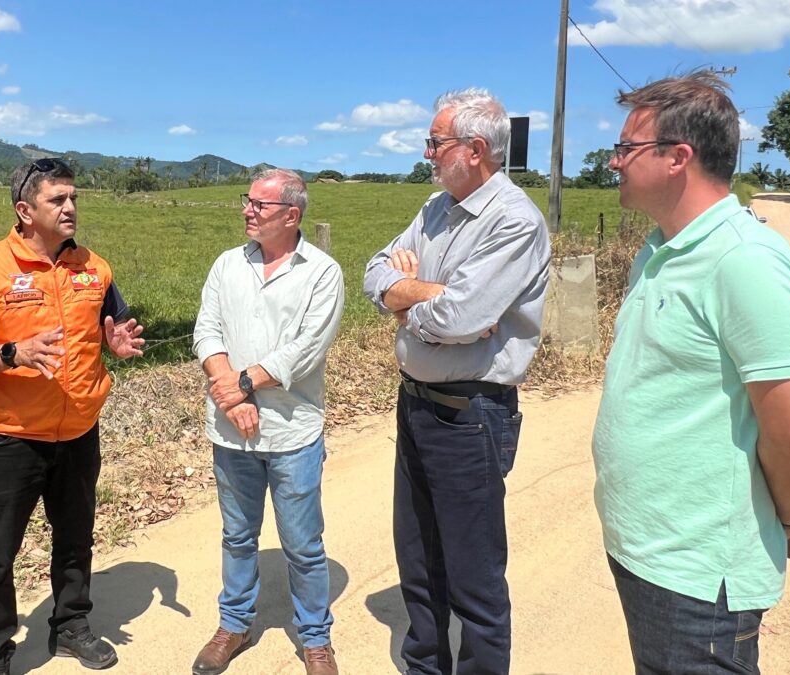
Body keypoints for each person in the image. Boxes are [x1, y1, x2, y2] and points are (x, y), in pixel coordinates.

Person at [592, 70, 790, 673]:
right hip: (644, 548)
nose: (614, 162)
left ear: (678, 157)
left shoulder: (745, 260)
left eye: (626, 148)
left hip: (697, 574)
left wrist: (781, 516)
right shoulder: (659, 249)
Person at [363, 88, 550, 675]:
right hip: (416, 402)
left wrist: (409, 301)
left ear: (474, 149)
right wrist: (418, 298)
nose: (427, 153)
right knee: (417, 559)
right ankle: (426, 665)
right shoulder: (435, 207)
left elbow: (464, 320)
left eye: (435, 143)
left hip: (471, 414)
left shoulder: (514, 220)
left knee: (473, 574)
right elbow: (375, 270)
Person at [0, 157, 144, 675]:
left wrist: (113, 343)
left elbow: (105, 330)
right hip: (10, 438)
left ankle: (71, 626)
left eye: (74, 197)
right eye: (58, 199)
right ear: (25, 210)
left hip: (77, 430)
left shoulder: (94, 268)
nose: (71, 207)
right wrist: (11, 353)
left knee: (75, 538)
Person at [191, 168, 345, 675]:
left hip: (292, 430)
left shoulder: (322, 273)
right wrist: (234, 397)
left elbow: (304, 353)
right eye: (247, 200)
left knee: (303, 543)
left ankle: (315, 637)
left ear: (291, 215)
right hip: (231, 429)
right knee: (237, 535)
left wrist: (244, 383)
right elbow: (206, 331)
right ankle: (234, 624)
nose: (247, 210)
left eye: (259, 204)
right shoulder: (226, 265)